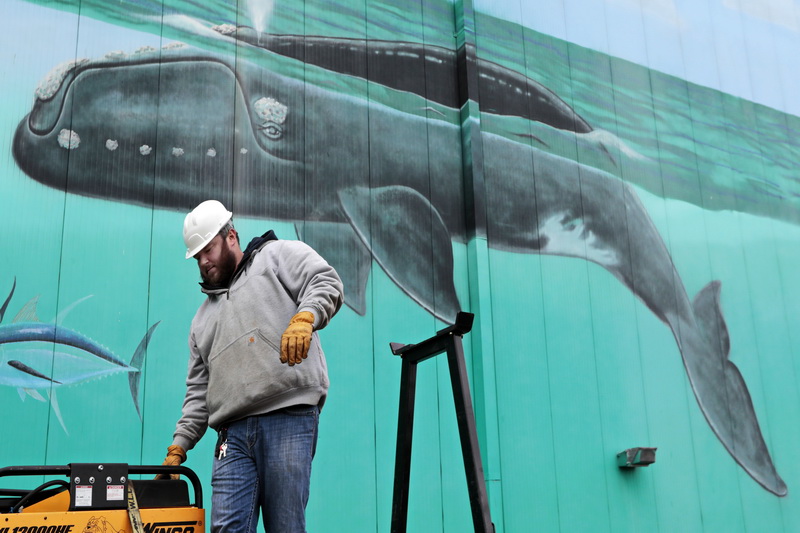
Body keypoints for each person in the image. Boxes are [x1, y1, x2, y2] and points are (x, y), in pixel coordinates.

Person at [158, 199, 344, 533]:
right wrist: (179, 446)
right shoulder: (201, 321)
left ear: (231, 236)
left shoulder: (276, 256)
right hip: (232, 435)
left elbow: (325, 281)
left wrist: (306, 316)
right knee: (226, 529)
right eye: (197, 256)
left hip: (289, 417)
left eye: (208, 249)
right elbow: (199, 393)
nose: (203, 261)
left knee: (285, 526)